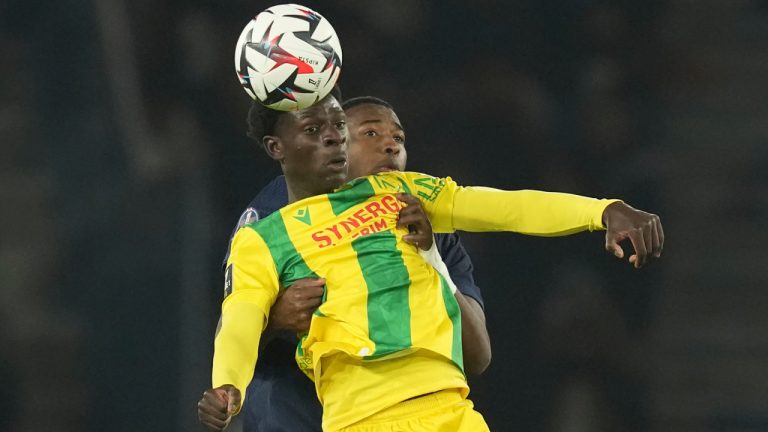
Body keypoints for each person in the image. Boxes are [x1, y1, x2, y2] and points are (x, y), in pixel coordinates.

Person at [201, 94, 663, 432]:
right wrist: (227, 387)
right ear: (276, 148)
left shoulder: (406, 199)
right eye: (317, 131)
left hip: (449, 410)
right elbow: (238, 318)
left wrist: (601, 211)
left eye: (337, 127)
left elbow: (506, 207)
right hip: (360, 418)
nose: (333, 138)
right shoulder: (263, 235)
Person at [200, 94, 491, 432]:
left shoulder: (428, 224)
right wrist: (276, 318)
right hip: (292, 418)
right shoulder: (276, 215)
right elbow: (230, 325)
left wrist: (432, 262)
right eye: (368, 134)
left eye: (398, 138)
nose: (389, 147)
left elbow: (478, 355)